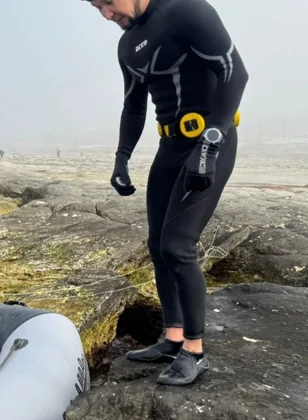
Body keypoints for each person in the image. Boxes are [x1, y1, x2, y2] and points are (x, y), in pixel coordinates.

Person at [84, 0, 248, 386]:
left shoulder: (187, 10)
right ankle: (172, 337)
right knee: (157, 246)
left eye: (107, 2)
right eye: (97, 8)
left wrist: (210, 142)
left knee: (178, 246)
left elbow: (235, 74)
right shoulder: (127, 46)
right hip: (170, 147)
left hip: (211, 140)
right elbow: (134, 107)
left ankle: (195, 350)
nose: (107, 14)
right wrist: (121, 158)